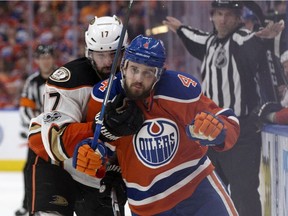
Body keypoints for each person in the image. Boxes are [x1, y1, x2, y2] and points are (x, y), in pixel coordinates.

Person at [73, 34, 241, 215]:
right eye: (134, 69)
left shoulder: (178, 91)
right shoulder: (104, 98)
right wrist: (89, 155)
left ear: (159, 74)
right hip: (147, 203)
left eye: (147, 72)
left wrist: (218, 130)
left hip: (197, 189)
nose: (138, 78)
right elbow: (98, 144)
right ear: (124, 66)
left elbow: (227, 120)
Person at [162, 1, 284, 216]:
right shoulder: (210, 42)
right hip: (210, 131)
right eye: (219, 13)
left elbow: (251, 42)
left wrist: (262, 38)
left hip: (241, 131)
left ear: (238, 17)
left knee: (243, 194)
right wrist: (180, 28)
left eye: (228, 14)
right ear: (212, 16)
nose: (223, 19)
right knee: (212, 195)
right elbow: (194, 37)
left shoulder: (242, 39)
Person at [27, 15, 129, 216]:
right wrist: (97, 129)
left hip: (99, 175)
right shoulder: (68, 79)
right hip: (58, 168)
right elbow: (56, 139)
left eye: (114, 54)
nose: (108, 62)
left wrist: (119, 171)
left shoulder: (134, 82)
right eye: (101, 55)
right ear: (89, 53)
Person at [15, 44, 56, 216]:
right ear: (37, 60)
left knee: (58, 172)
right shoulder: (32, 82)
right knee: (30, 170)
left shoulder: (60, 78)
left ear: (52, 59)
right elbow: (25, 108)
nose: (45, 61)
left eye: (48, 57)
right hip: (37, 136)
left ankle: (58, 204)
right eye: (42, 58)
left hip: (57, 134)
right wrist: (33, 128)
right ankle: (28, 205)